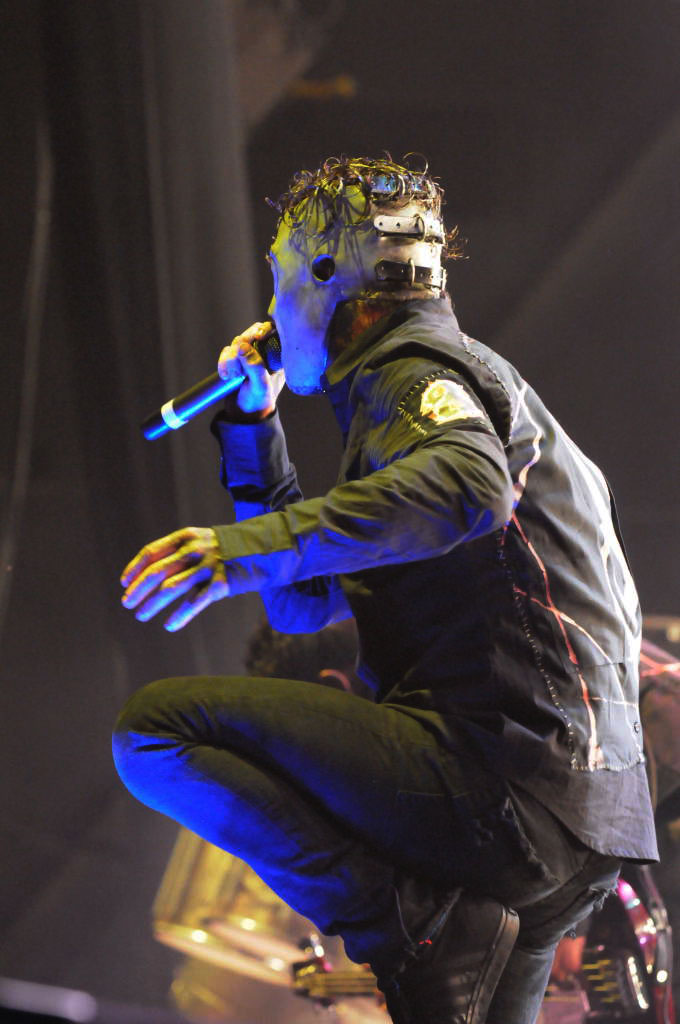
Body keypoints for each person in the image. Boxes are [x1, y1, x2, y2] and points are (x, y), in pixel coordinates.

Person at [113, 155, 658, 1024]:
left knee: (157, 733)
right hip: (582, 832)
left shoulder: (414, 371)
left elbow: (470, 489)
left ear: (326, 274)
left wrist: (239, 551)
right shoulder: (454, 392)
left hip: (511, 785)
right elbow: (301, 604)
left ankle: (403, 927)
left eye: (279, 280)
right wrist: (253, 422)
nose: (272, 310)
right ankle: (440, 931)